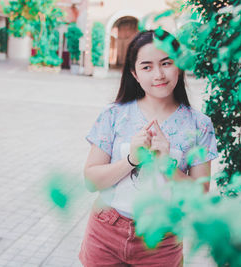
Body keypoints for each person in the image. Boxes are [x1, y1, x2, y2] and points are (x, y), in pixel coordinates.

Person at [79, 30, 218, 267]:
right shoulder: (114, 115)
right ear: (134, 73)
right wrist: (131, 159)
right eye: (147, 67)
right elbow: (91, 181)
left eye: (166, 63)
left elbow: (199, 195)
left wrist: (167, 165)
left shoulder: (199, 125)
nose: (159, 74)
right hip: (106, 233)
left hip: (162, 240)